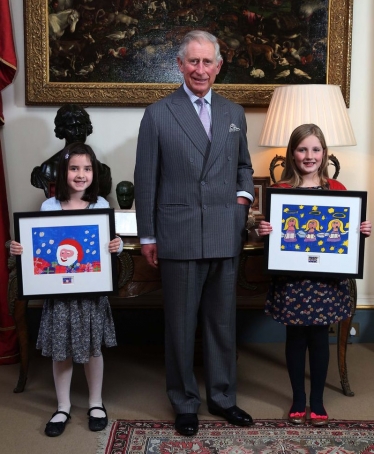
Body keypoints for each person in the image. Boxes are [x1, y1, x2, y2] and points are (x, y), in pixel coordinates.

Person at [134, 30, 255, 436]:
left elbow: (243, 166)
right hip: (179, 232)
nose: (200, 69)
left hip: (224, 228)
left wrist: (241, 201)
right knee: (181, 325)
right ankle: (184, 402)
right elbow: (146, 179)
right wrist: (147, 236)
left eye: (208, 62)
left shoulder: (233, 113)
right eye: (193, 62)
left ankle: (223, 398)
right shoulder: (158, 113)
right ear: (180, 65)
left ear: (219, 66)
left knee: (222, 323)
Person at [258, 124, 371, 426]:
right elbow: (267, 237)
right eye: (302, 149)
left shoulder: (338, 191)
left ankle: (317, 401)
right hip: (292, 281)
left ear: (324, 153)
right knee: (295, 338)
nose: (309, 156)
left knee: (320, 338)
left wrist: (361, 231)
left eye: (316, 149)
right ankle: (298, 399)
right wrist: (262, 231)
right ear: (292, 155)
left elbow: (347, 238)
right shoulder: (280, 192)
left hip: (326, 282)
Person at [11, 142, 123, 437]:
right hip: (59, 297)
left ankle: (95, 403)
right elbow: (36, 248)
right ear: (64, 172)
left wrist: (117, 245)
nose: (80, 174)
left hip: (91, 295)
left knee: (92, 349)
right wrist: (19, 248)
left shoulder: (100, 206)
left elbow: (110, 244)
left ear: (93, 173)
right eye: (74, 168)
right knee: (61, 352)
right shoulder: (49, 206)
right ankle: (62, 407)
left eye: (86, 169)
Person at [31, 103, 112, 198]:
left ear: (87, 128)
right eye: (71, 127)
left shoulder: (101, 170)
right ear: (62, 130)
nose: (77, 132)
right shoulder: (47, 168)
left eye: (81, 126)